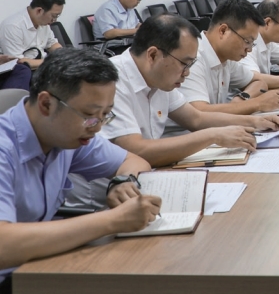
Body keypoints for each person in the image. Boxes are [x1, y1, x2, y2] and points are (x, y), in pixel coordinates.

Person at [66, 15, 279, 208]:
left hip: (143, 186)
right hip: (100, 204)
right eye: (185, 64)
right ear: (153, 55)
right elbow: (136, 150)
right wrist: (214, 136)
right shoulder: (112, 81)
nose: (187, 73)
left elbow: (196, 118)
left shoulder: (159, 78)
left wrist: (253, 122)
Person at [0, 47, 161, 286]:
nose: (97, 127)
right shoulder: (5, 148)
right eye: (89, 115)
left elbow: (134, 161)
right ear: (46, 104)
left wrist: (122, 182)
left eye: (105, 115)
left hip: (36, 269)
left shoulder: (66, 135)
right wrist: (112, 220)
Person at [179, 0, 279, 116]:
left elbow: (259, 82)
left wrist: (242, 98)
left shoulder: (226, 58)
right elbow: (199, 112)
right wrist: (258, 104)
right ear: (223, 31)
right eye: (247, 41)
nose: (250, 49)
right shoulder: (193, 58)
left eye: (252, 43)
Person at [0, 0, 65, 69]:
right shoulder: (13, 26)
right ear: (39, 11)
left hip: (43, 66)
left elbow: (52, 44)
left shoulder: (43, 22)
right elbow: (18, 62)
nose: (54, 20)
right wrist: (51, 62)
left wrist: (63, 55)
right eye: (54, 16)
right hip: (24, 71)